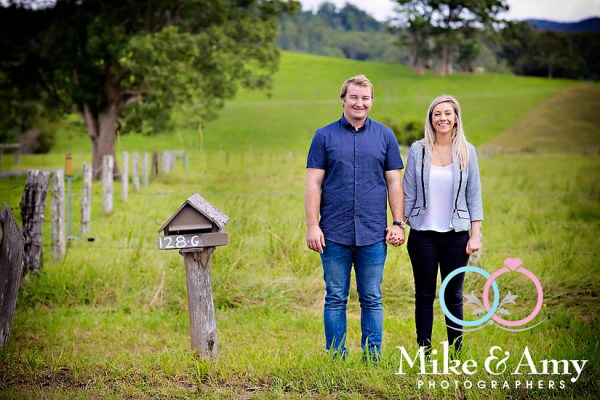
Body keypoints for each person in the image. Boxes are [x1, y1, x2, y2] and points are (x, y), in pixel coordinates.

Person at [305, 74, 405, 360]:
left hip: (373, 233)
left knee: (371, 297)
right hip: (333, 233)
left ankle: (372, 357)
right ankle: (336, 356)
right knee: (335, 297)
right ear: (343, 99)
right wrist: (312, 226)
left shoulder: (385, 136)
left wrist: (398, 223)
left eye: (365, 98)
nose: (359, 103)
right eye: (354, 97)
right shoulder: (323, 136)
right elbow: (313, 183)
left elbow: (394, 183)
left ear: (371, 101)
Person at [402, 94, 483, 357]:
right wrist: (399, 224)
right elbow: (408, 192)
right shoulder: (418, 150)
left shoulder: (467, 151)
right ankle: (424, 351)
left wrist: (475, 235)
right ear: (431, 119)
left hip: (456, 236)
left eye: (448, 113)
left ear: (456, 118)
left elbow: (474, 195)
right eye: (437, 114)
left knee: (453, 295)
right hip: (422, 236)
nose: (442, 118)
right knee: (424, 295)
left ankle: (456, 352)